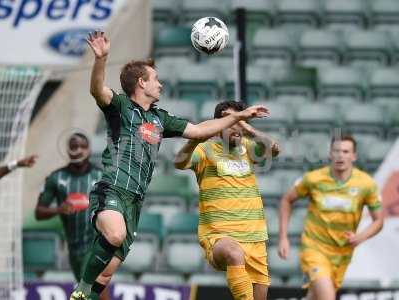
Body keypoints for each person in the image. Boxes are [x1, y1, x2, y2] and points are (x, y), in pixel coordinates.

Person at [70, 31, 269, 300]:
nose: (161, 85)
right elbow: (97, 90)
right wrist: (102, 60)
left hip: (135, 201)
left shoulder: (160, 118)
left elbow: (200, 131)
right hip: (113, 189)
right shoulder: (120, 106)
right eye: (156, 80)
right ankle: (81, 288)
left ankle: (87, 293)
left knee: (106, 274)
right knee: (114, 235)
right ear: (142, 83)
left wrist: (240, 116)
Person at [174, 101, 280, 300]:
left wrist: (245, 124)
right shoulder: (205, 149)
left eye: (239, 120)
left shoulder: (247, 148)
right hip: (219, 236)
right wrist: (194, 139)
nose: (236, 127)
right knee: (234, 253)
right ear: (219, 125)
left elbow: (273, 149)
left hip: (255, 237)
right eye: (231, 122)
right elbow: (179, 162)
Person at [278, 134, 384, 300]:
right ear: (330, 154)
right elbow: (286, 200)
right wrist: (283, 237)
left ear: (354, 156)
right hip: (314, 248)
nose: (340, 155)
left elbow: (379, 220)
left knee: (315, 296)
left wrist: (360, 237)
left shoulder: (366, 184)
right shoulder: (313, 179)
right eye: (336, 151)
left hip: (342, 252)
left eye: (345, 151)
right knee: (327, 297)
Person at [35, 133, 108, 300]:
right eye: (74, 147)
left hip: (96, 243)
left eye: (82, 146)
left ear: (89, 150)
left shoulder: (101, 176)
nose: (78, 151)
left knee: (87, 288)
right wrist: (59, 210)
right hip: (74, 248)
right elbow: (39, 212)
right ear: (67, 150)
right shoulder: (56, 178)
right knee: (93, 290)